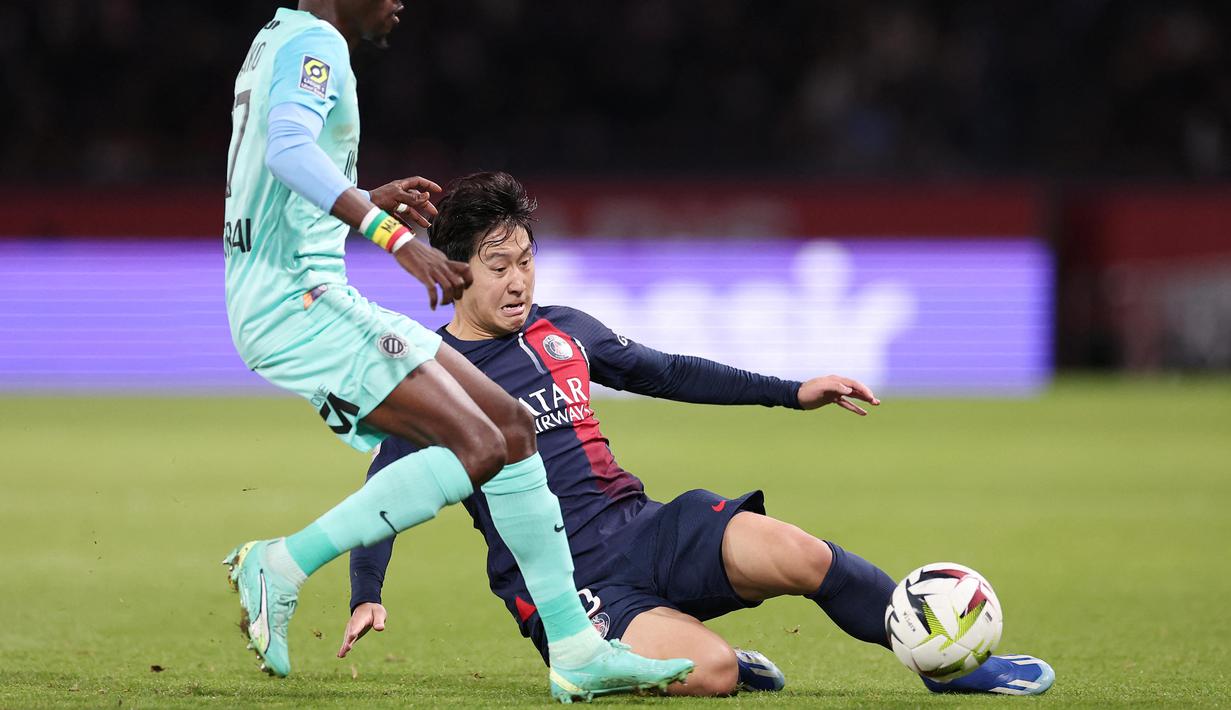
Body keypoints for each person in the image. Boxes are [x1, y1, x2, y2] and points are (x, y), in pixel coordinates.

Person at [337, 172, 1057, 697]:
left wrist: (790, 393)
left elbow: (670, 371)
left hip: (647, 527)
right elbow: (386, 489)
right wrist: (364, 592)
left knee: (804, 556)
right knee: (712, 674)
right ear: (453, 272)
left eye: (526, 261)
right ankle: (639, 659)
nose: (519, 280)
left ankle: (941, 666)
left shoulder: (566, 329)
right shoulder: (433, 376)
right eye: (499, 266)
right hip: (571, 591)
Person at [220, 3, 692, 701]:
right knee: (478, 442)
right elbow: (289, 150)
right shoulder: (317, 43)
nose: (397, 3)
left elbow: (275, 165)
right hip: (298, 303)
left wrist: (359, 193)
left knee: (509, 429)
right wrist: (393, 236)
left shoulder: (278, 38)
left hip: (312, 294)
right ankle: (281, 565)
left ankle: (577, 649)